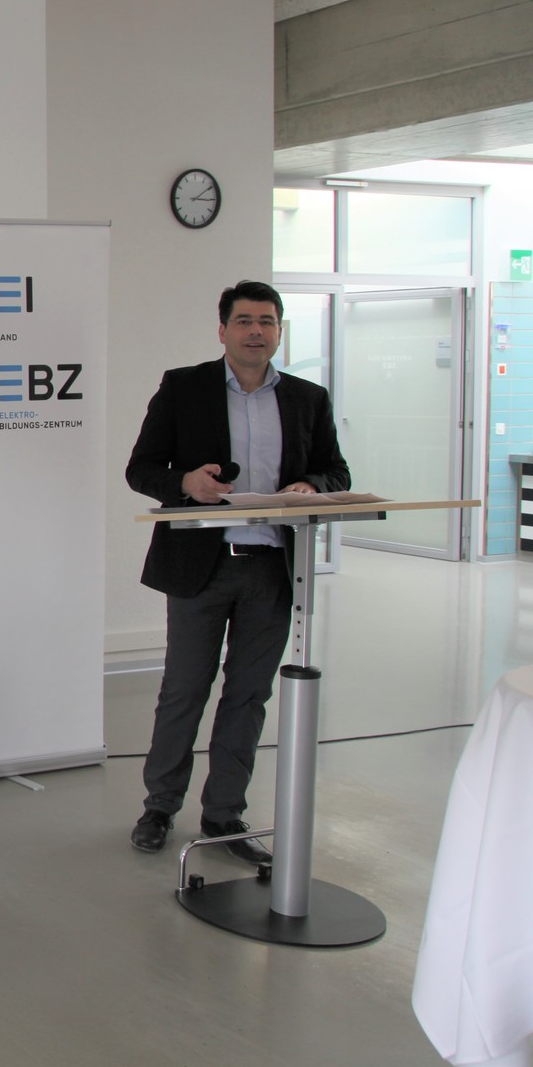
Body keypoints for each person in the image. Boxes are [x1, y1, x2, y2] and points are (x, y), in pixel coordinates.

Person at [125, 280, 348, 863]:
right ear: (222, 330)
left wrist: (311, 485)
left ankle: (225, 813)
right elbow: (140, 468)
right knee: (184, 690)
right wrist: (184, 483)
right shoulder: (184, 387)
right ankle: (159, 807)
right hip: (200, 566)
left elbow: (336, 471)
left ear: (279, 331)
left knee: (248, 696)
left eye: (267, 321)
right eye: (245, 321)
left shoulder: (308, 398)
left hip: (272, 569)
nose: (256, 331)